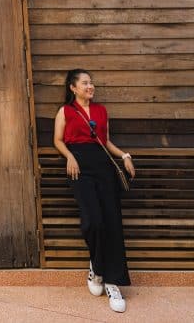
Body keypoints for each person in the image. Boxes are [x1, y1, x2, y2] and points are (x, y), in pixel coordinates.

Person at [53, 68, 135, 313]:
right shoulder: (65, 111)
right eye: (85, 83)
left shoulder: (101, 111)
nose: (90, 86)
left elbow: (105, 141)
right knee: (93, 221)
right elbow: (57, 140)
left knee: (112, 222)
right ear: (73, 87)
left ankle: (112, 282)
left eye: (91, 83)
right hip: (79, 166)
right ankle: (96, 266)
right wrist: (70, 157)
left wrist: (125, 156)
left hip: (103, 167)